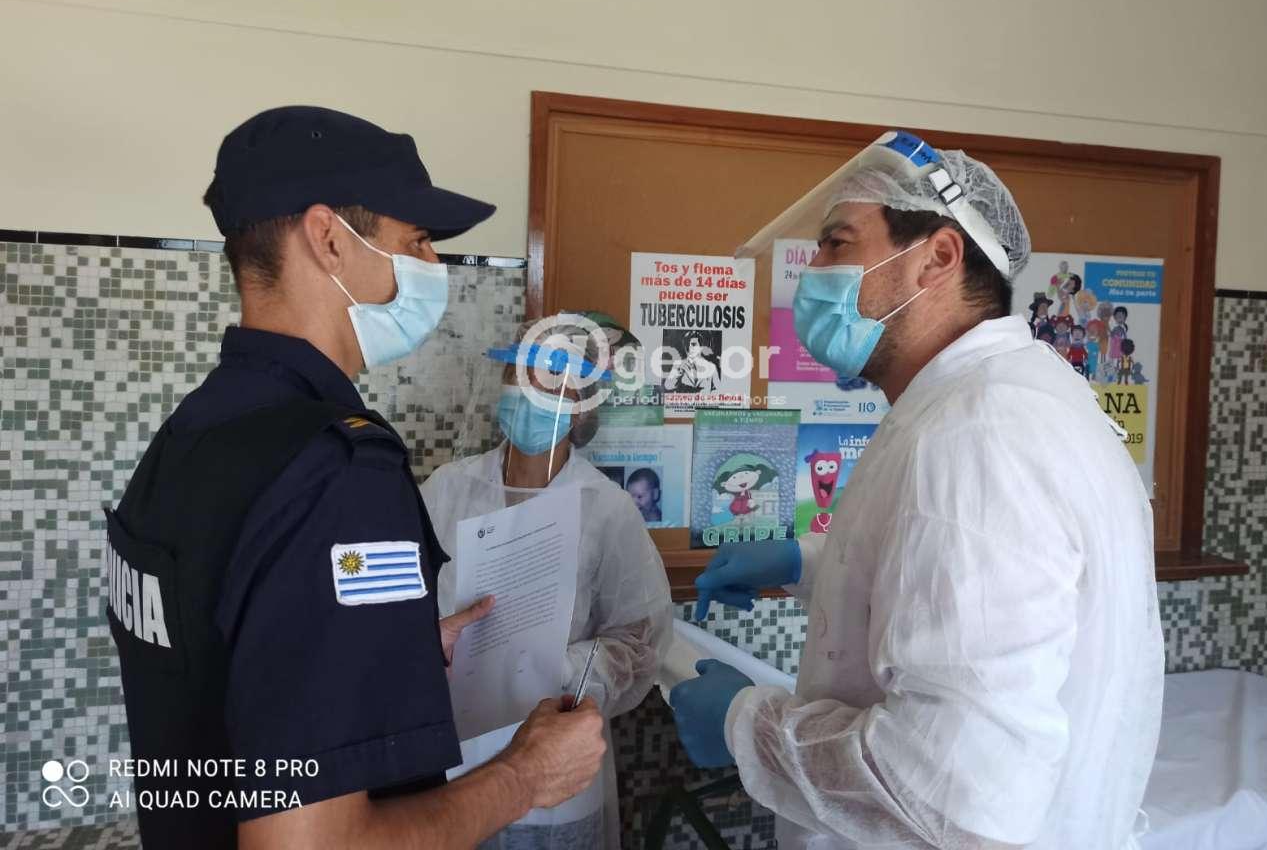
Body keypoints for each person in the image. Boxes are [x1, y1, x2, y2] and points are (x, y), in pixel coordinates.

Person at [104, 106, 606, 849]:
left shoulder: (189, 437)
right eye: (418, 241)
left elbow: (235, 652)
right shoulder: (335, 471)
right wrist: (525, 776)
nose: (434, 267)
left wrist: (390, 648)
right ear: (329, 238)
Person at [672, 130, 1164, 849]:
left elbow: (956, 789)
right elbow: (941, 570)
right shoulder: (1001, 397)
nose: (812, 271)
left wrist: (745, 725)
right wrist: (804, 562)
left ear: (937, 257)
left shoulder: (980, 433)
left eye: (836, 244)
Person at [420, 318, 673, 849]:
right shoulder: (446, 490)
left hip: (557, 755)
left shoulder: (605, 508)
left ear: (580, 405)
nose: (528, 391)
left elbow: (640, 641)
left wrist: (556, 666)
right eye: (519, 375)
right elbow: (401, 603)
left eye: (551, 379)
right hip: (451, 755)